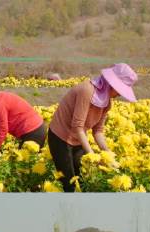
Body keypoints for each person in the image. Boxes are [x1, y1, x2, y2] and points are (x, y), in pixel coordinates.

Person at [48, 63, 138, 192]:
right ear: (111, 84)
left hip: (77, 138)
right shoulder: (87, 90)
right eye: (120, 89)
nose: (120, 94)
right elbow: (77, 126)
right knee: (69, 184)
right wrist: (92, 155)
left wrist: (107, 153)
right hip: (60, 137)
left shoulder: (107, 103)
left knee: (82, 178)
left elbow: (98, 131)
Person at [0, 83, 46, 159]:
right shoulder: (1, 97)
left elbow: (3, 129)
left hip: (32, 132)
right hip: (36, 130)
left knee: (23, 166)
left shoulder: (0, 104)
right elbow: (0, 128)